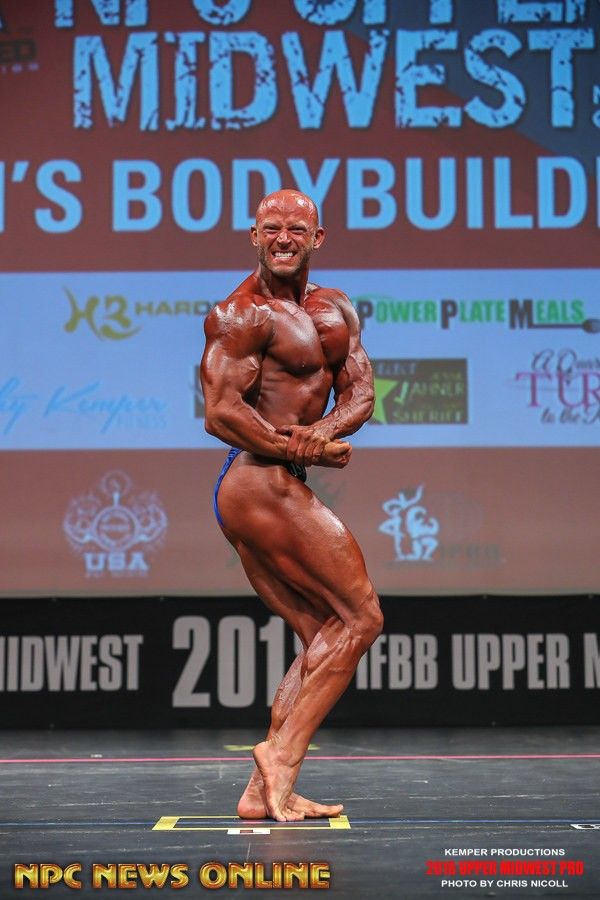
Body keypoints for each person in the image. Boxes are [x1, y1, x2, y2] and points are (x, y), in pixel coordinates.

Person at [200, 189, 383, 822]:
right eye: (271, 228)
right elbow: (220, 412)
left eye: (296, 229)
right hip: (256, 479)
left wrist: (321, 434)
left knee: (323, 633)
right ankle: (279, 756)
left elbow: (361, 393)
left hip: (278, 476)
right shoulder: (240, 315)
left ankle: (261, 791)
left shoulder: (335, 308)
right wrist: (294, 446)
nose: (283, 238)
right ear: (254, 235)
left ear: (317, 238)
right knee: (362, 618)